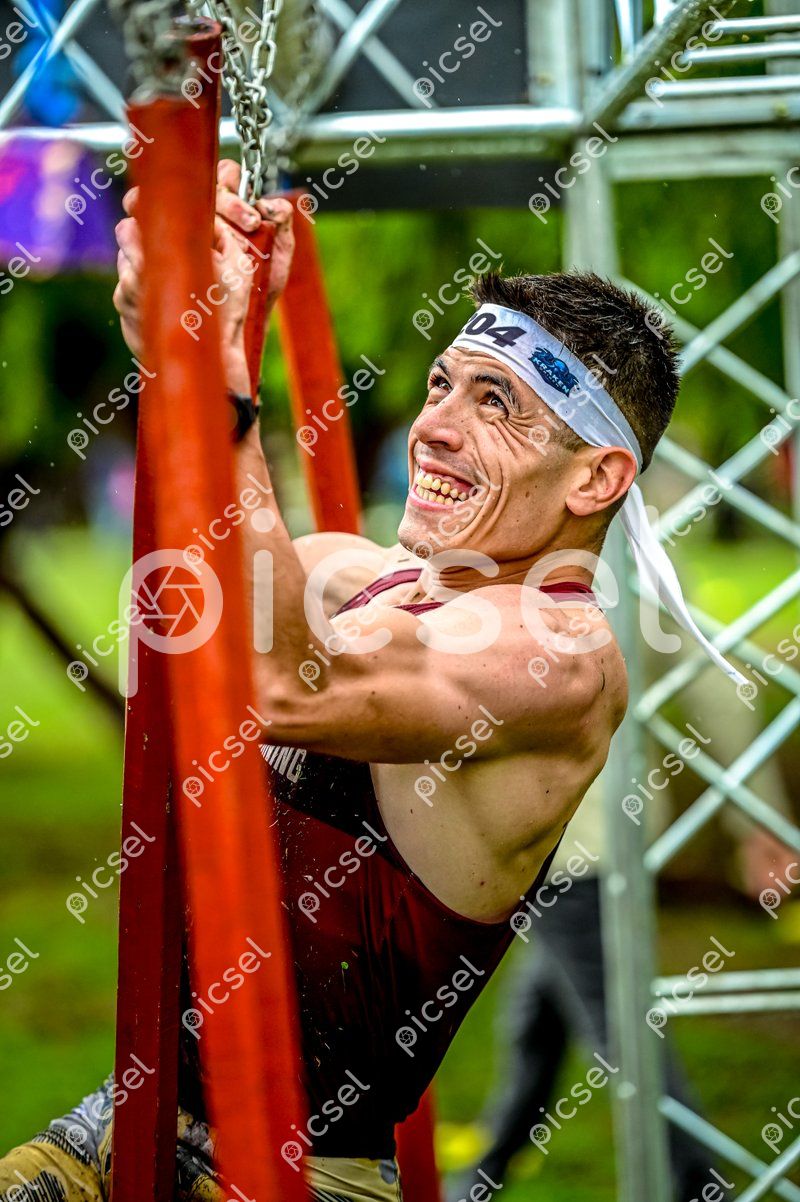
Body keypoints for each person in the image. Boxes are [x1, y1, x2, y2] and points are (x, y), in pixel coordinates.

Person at [0, 160, 743, 1202]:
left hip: (298, 1171)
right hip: (127, 1110)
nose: (433, 425)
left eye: (495, 403)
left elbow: (276, 686)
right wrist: (177, 317)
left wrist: (209, 368)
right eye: (442, 384)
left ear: (594, 477)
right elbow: (179, 622)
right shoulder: (361, 570)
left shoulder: (558, 660)